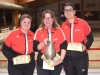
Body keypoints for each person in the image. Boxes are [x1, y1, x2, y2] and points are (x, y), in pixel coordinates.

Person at [61, 2, 94, 75]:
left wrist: (86, 46)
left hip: (81, 58)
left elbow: (91, 38)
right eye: (66, 10)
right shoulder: (63, 26)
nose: (68, 12)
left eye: (70, 10)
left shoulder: (83, 23)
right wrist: (62, 61)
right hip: (68, 59)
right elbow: (62, 44)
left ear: (74, 11)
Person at [33, 10, 67, 75]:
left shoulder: (59, 30)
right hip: (42, 62)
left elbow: (64, 46)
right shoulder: (38, 31)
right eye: (45, 18)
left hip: (56, 62)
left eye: (49, 18)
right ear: (43, 19)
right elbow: (35, 48)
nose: (47, 20)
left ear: (53, 19)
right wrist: (43, 43)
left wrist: (61, 60)